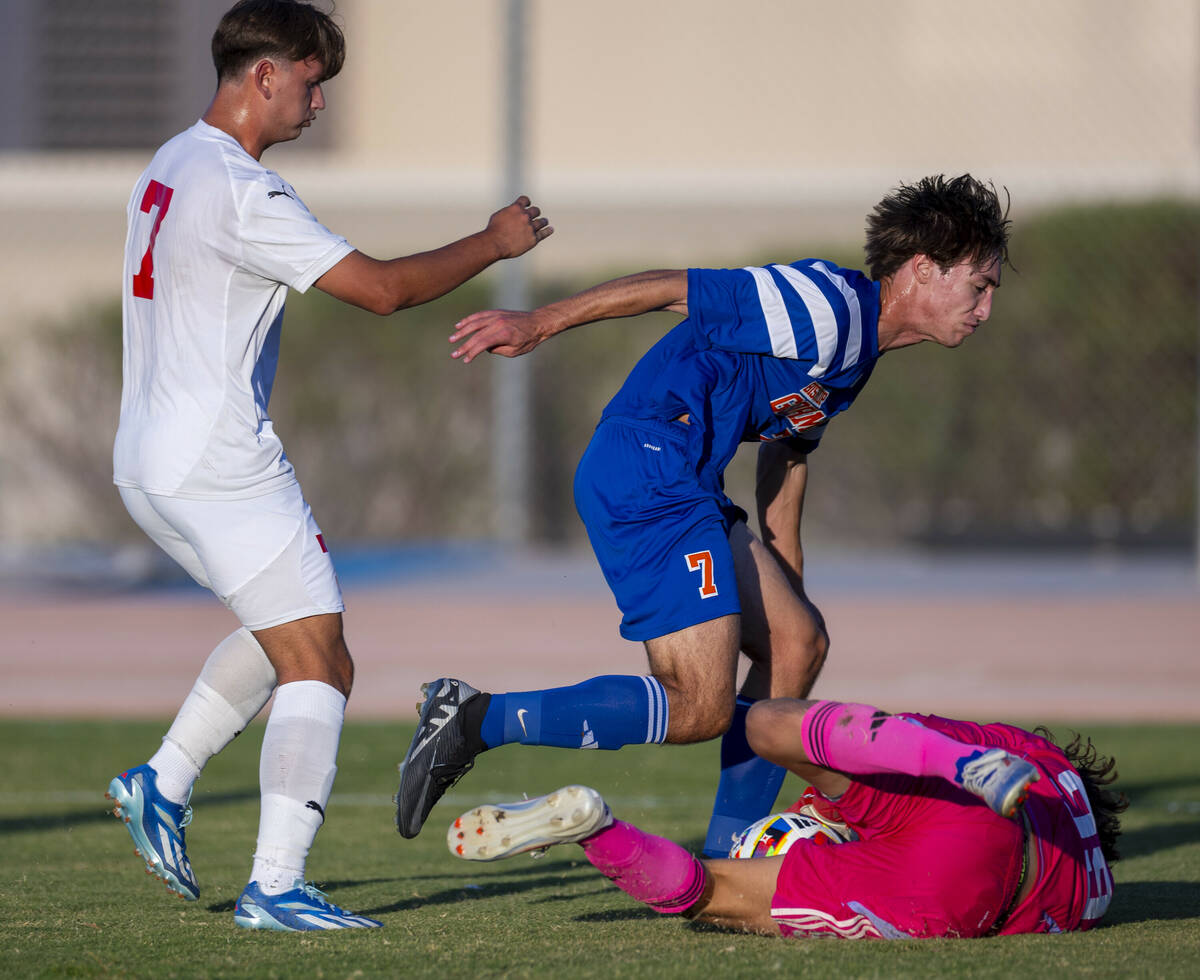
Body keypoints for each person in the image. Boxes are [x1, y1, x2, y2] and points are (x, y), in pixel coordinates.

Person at [394, 175, 1009, 858]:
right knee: (699, 706)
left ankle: (726, 853)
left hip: (685, 479)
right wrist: (539, 323)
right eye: (979, 286)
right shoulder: (826, 304)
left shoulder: (857, 356)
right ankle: (477, 717)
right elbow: (672, 288)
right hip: (650, 462)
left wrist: (788, 591)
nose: (984, 309)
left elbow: (786, 461)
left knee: (799, 644)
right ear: (923, 269)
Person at [104, 0, 551, 932]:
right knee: (323, 662)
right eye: (311, 83)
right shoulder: (240, 187)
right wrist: (493, 243)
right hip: (220, 462)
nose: (316, 104)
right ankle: (274, 884)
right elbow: (383, 291)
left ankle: (162, 781)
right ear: (264, 74)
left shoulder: (171, 161)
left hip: (146, 460)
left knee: (289, 632)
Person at [447, 697, 1126, 940]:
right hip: (976, 876)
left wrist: (832, 803)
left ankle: (951, 759)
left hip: (965, 798)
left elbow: (885, 727)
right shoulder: (1091, 889)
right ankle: (599, 831)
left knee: (766, 724)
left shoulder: (1039, 755)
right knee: (716, 892)